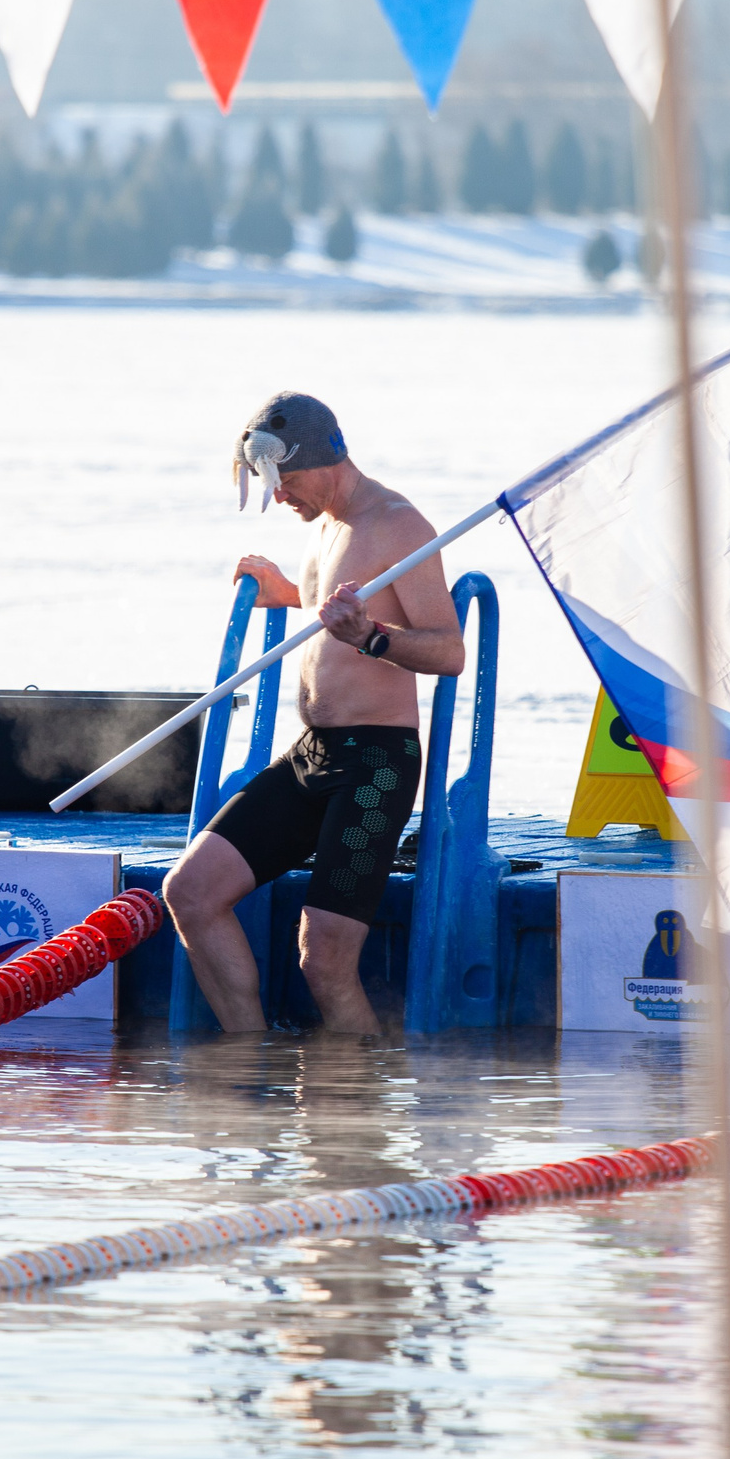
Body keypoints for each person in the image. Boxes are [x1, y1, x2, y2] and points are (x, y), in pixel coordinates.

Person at [162, 394, 466, 1034]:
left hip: (376, 766)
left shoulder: (399, 524)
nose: (280, 500)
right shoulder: (326, 523)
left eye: (286, 482)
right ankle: (250, 1063)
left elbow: (449, 649)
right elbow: (330, 603)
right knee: (189, 892)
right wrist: (289, 594)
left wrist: (370, 637)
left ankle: (357, 1113)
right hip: (313, 755)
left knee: (323, 959)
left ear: (323, 460)